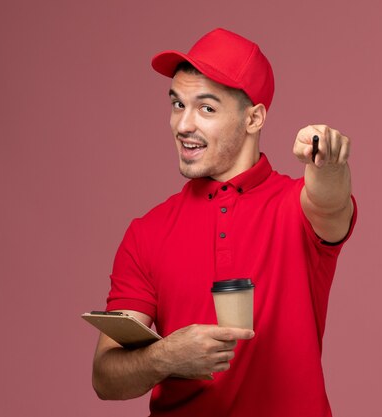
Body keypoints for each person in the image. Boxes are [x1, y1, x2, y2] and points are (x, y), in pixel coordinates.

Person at [91, 28, 357, 416]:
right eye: (177, 104)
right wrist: (165, 356)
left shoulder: (295, 208)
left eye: (206, 108)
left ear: (254, 118)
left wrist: (329, 163)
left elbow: (330, 202)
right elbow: (105, 375)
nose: (183, 125)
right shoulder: (147, 232)